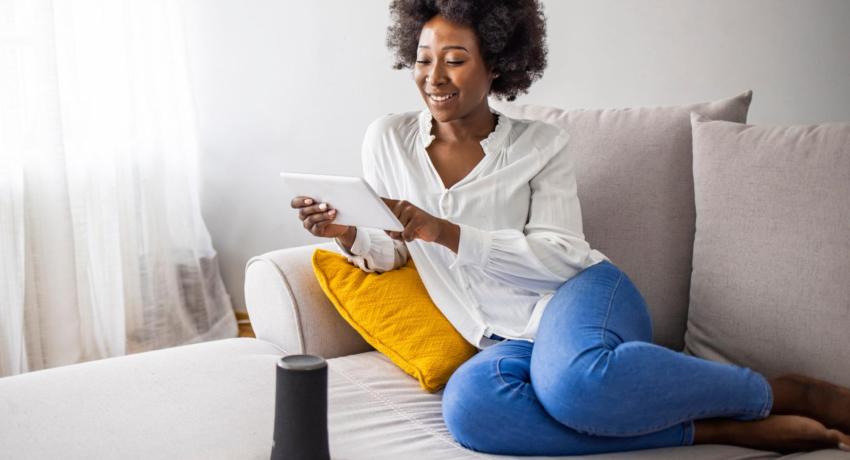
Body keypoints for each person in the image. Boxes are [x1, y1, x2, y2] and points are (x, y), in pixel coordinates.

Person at [290, 0, 850, 455]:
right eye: (422, 59)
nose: (433, 77)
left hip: (581, 294)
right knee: (473, 412)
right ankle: (717, 429)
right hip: (498, 337)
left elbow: (562, 255)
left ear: (498, 64)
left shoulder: (540, 144)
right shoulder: (386, 140)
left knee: (576, 387)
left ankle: (777, 392)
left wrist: (448, 231)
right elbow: (391, 255)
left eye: (455, 59)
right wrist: (345, 234)